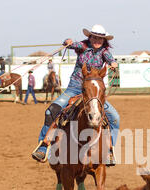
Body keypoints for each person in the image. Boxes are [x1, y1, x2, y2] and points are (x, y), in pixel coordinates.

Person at [31, 24, 119, 166]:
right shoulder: (82, 47)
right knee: (51, 111)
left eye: (100, 38)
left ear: (104, 40)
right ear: (90, 37)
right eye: (95, 37)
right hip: (74, 88)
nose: (97, 40)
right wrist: (68, 41)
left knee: (115, 118)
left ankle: (109, 151)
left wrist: (113, 62)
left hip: (93, 93)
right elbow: (71, 44)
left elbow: (110, 59)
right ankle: (43, 146)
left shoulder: (104, 52)